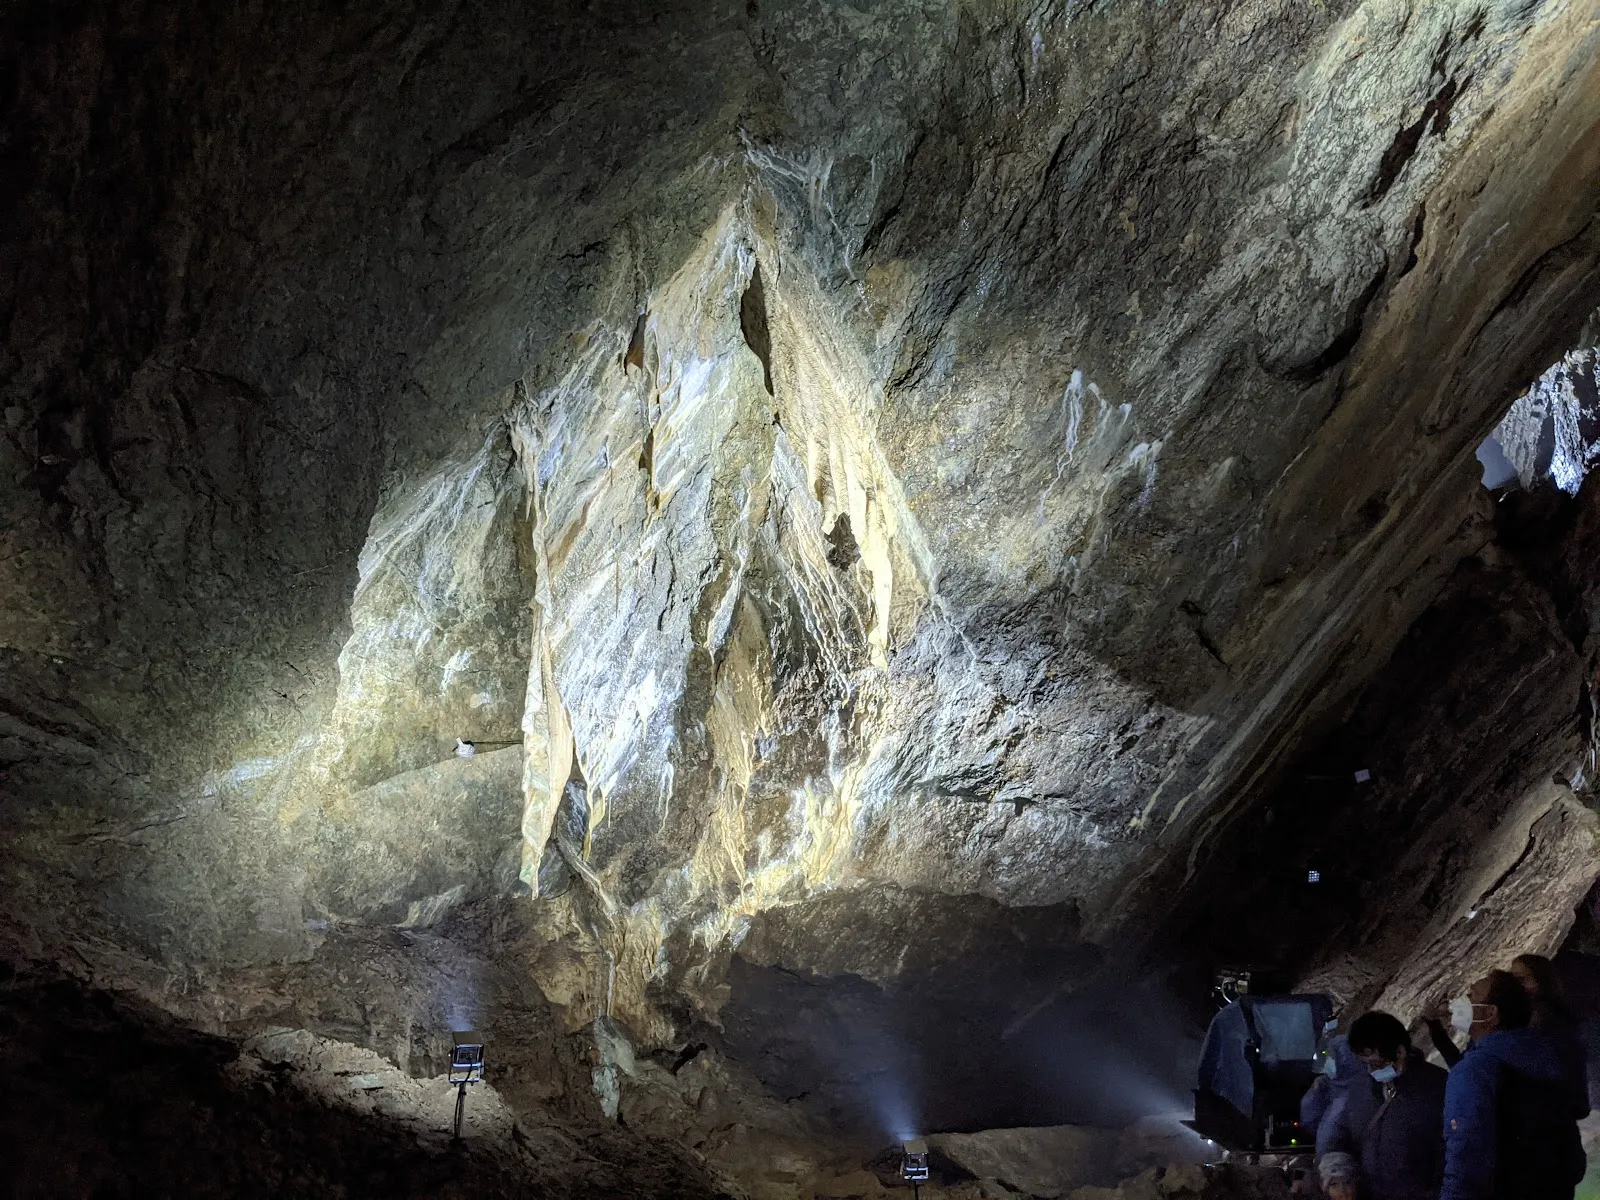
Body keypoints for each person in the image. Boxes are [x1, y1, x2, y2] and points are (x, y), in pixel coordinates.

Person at [1440, 970, 1588, 1200]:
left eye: (1472, 995)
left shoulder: (1477, 1068)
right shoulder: (1545, 1056)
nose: (1464, 1000)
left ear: (1490, 1013)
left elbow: (1466, 1152)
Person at [1337, 1011, 1448, 1200]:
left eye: (1377, 1064)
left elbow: (1449, 1154)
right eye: (1365, 1064)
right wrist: (1338, 1172)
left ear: (1399, 1052)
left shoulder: (1437, 1087)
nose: (1371, 1071)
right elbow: (1341, 1135)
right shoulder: (1360, 1088)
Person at [1510, 953, 1589, 1112]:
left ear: (1542, 981)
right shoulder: (1557, 1019)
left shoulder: (1544, 1020)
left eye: (1522, 979)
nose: (1514, 986)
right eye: (1512, 980)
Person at [1305, 1028, 1383, 1156]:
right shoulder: (1375, 1084)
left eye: (1329, 1057)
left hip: (1336, 1157)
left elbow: (1309, 1117)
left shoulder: (1336, 1096)